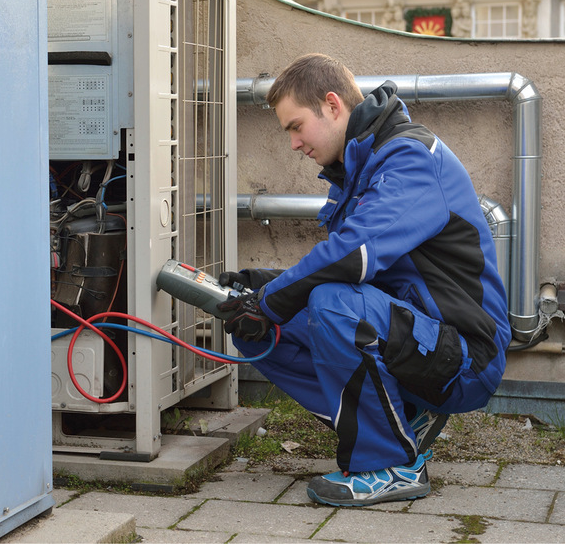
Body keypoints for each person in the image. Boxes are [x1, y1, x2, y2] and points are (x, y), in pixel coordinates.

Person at [217, 53, 510, 507]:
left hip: (466, 356)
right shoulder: (362, 167)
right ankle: (397, 421)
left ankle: (390, 465)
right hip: (418, 337)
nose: (293, 143)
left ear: (332, 105)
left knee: (331, 304)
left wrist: (273, 296)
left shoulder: (410, 157)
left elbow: (352, 256)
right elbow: (360, 272)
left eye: (295, 126)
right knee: (258, 331)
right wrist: (261, 288)